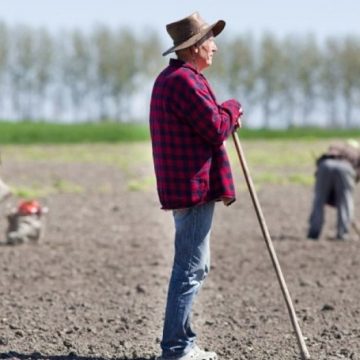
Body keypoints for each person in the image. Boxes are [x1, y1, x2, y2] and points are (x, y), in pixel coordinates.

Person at [149, 12, 243, 360]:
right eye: (210, 41)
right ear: (194, 48)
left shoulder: (177, 79)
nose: (215, 47)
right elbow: (216, 127)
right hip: (192, 186)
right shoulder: (183, 82)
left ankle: (182, 343)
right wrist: (233, 108)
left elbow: (209, 121)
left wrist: (224, 113)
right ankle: (176, 348)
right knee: (190, 268)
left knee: (195, 266)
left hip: (188, 185)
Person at [307, 139, 360, 241]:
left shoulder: (337, 146)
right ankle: (343, 234)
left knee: (319, 200)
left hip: (325, 165)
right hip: (346, 168)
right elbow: (357, 175)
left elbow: (321, 161)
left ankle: (313, 233)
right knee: (345, 202)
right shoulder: (357, 154)